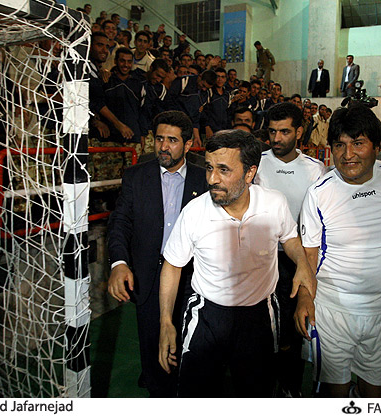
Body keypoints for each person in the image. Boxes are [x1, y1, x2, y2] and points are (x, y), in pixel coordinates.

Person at [158, 129, 314, 397]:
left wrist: (301, 261)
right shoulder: (194, 212)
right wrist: (165, 323)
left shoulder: (274, 203)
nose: (212, 179)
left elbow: (289, 238)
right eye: (209, 168)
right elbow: (172, 266)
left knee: (256, 393)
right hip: (207, 315)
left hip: (260, 315)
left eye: (223, 170)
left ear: (250, 173)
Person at [295, 104, 381, 398]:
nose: (348, 154)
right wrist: (304, 297)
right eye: (339, 145)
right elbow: (309, 254)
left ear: (377, 147)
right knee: (335, 394)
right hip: (332, 311)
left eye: (357, 143)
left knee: (376, 395)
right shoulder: (319, 192)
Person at [107, 111, 207, 397]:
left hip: (192, 280)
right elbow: (120, 222)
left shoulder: (203, 179)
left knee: (191, 350)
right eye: (159, 139)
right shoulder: (136, 176)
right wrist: (119, 262)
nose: (163, 146)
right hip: (148, 278)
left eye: (172, 140)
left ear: (188, 145)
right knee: (153, 349)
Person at [254, 103, 326, 397]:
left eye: (284, 132)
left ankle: (290, 386)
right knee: (259, 327)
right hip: (260, 260)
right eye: (272, 131)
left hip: (295, 260)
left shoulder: (315, 169)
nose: (276, 138)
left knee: (291, 328)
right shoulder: (256, 163)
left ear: (299, 131)